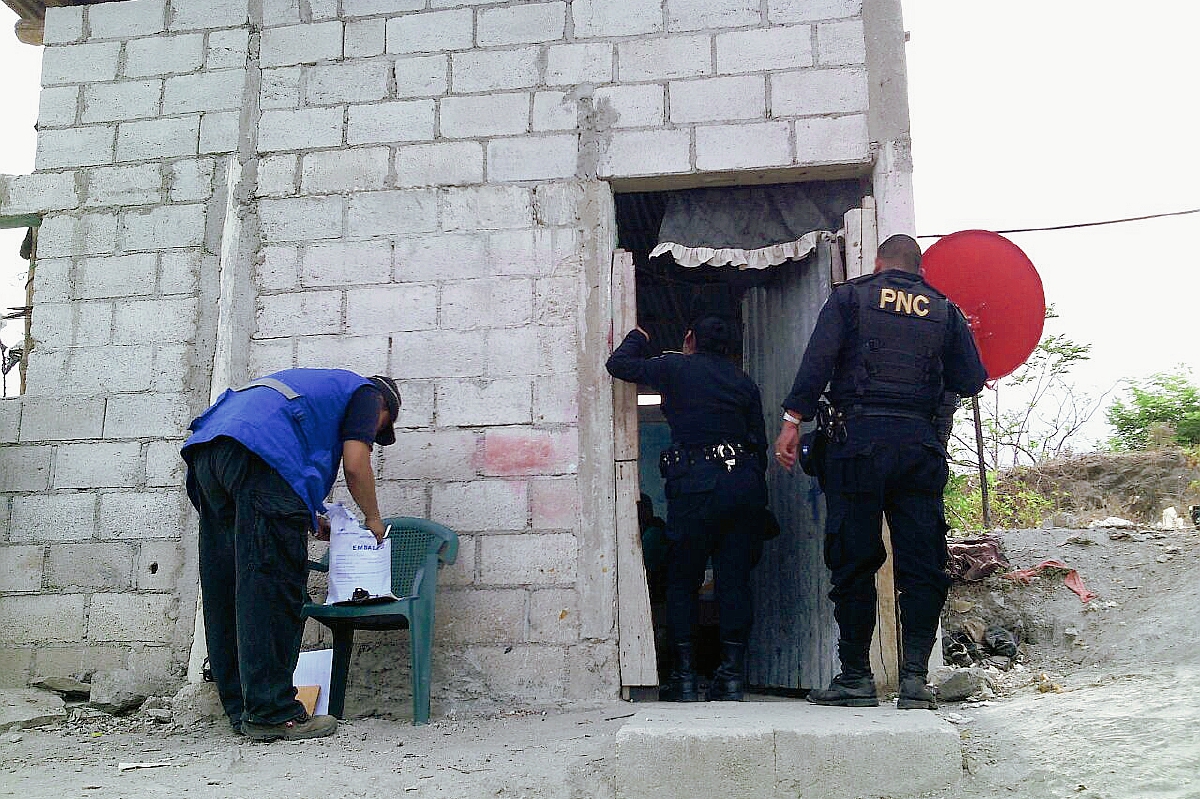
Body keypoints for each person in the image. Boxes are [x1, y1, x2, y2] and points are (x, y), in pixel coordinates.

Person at [773, 234, 987, 710]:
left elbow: (818, 363)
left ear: (878, 262)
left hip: (857, 444)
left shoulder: (851, 297)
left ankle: (855, 679)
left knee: (853, 560)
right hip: (918, 448)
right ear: (919, 269)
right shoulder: (944, 310)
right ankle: (914, 681)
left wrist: (792, 422)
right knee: (923, 562)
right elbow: (972, 380)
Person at [181, 369, 401, 740]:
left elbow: (267, 474)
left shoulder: (311, 387)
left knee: (230, 582)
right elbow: (354, 463)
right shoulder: (367, 393)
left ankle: (242, 710)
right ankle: (272, 712)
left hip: (210, 452)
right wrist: (374, 519)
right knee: (273, 585)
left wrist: (306, 516)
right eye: (380, 430)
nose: (374, 435)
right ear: (385, 408)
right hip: (260, 455)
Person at [607, 316, 769, 702]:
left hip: (695, 486)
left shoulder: (675, 366)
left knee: (683, 580)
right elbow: (759, 446)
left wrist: (637, 336)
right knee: (734, 580)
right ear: (730, 347)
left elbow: (619, 365)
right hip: (742, 486)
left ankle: (683, 678)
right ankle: (730, 680)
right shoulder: (744, 383)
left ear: (690, 339)